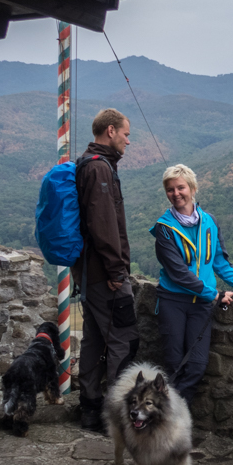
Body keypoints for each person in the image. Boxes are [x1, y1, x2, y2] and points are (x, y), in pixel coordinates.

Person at [150, 163, 233, 405]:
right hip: (173, 302)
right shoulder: (164, 229)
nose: (176, 193)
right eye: (170, 189)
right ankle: (172, 420)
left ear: (193, 188)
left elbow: (219, 261)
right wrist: (214, 294)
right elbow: (178, 273)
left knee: (198, 365)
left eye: (181, 188)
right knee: (174, 363)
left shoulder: (209, 222)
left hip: (201, 305)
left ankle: (169, 414)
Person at [74, 108, 139, 432]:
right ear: (111, 131)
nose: (129, 140)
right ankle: (117, 414)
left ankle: (90, 407)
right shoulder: (99, 169)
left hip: (88, 272)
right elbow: (103, 226)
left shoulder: (89, 163)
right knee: (122, 339)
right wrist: (117, 272)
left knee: (95, 340)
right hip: (104, 273)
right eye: (126, 134)